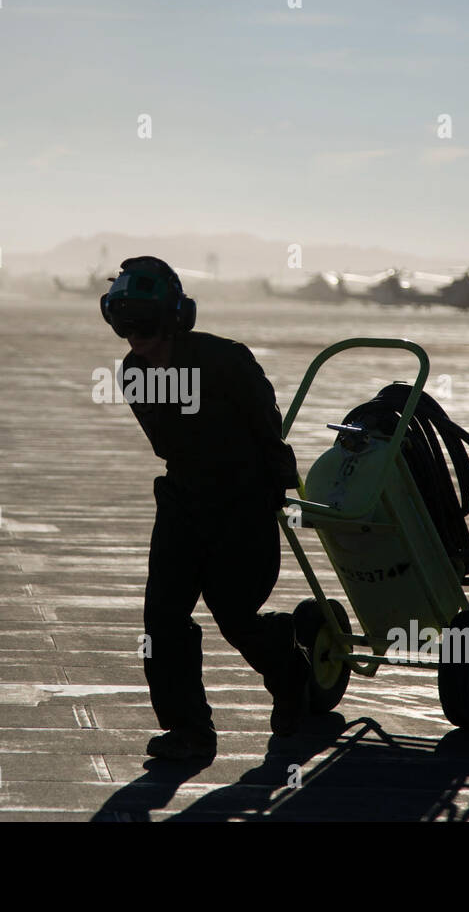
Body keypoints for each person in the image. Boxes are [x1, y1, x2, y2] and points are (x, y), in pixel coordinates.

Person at [100, 256, 310, 761]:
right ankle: (188, 732)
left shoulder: (227, 361)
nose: (134, 336)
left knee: (236, 616)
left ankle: (292, 670)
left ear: (174, 318)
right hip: (183, 500)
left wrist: (279, 488)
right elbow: (172, 445)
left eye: (143, 323)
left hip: (243, 501)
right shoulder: (133, 373)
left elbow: (267, 430)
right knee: (162, 620)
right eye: (122, 323)